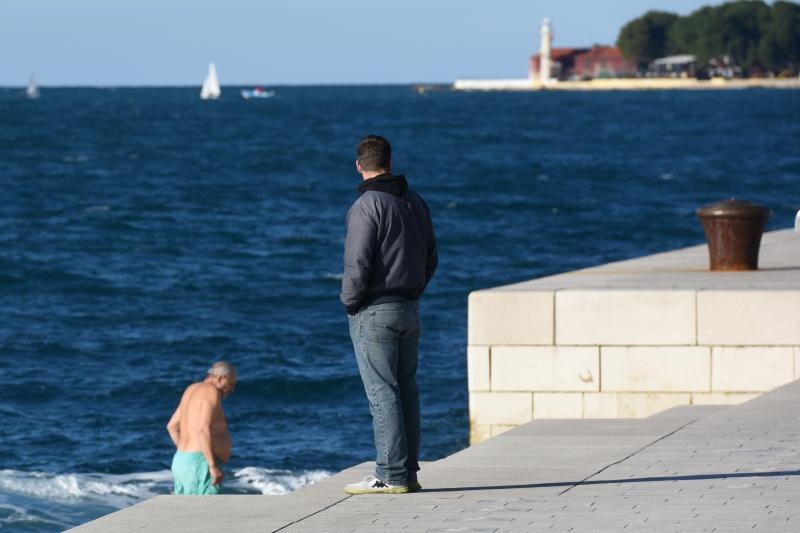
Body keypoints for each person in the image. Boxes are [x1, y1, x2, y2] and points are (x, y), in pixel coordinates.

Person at [341, 135, 437, 494]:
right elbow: (431, 258)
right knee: (406, 390)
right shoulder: (416, 202)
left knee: (382, 393)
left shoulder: (367, 206)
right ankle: (407, 471)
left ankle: (391, 474)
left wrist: (351, 302)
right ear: (390, 162)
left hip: (375, 310)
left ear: (359, 165)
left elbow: (358, 263)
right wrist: (412, 290)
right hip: (410, 307)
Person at [166, 361, 237, 495]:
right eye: (231, 383)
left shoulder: (191, 389)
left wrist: (187, 453)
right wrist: (212, 466)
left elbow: (172, 426)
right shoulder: (211, 392)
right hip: (199, 466)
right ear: (221, 378)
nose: (232, 389)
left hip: (181, 460)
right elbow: (203, 429)